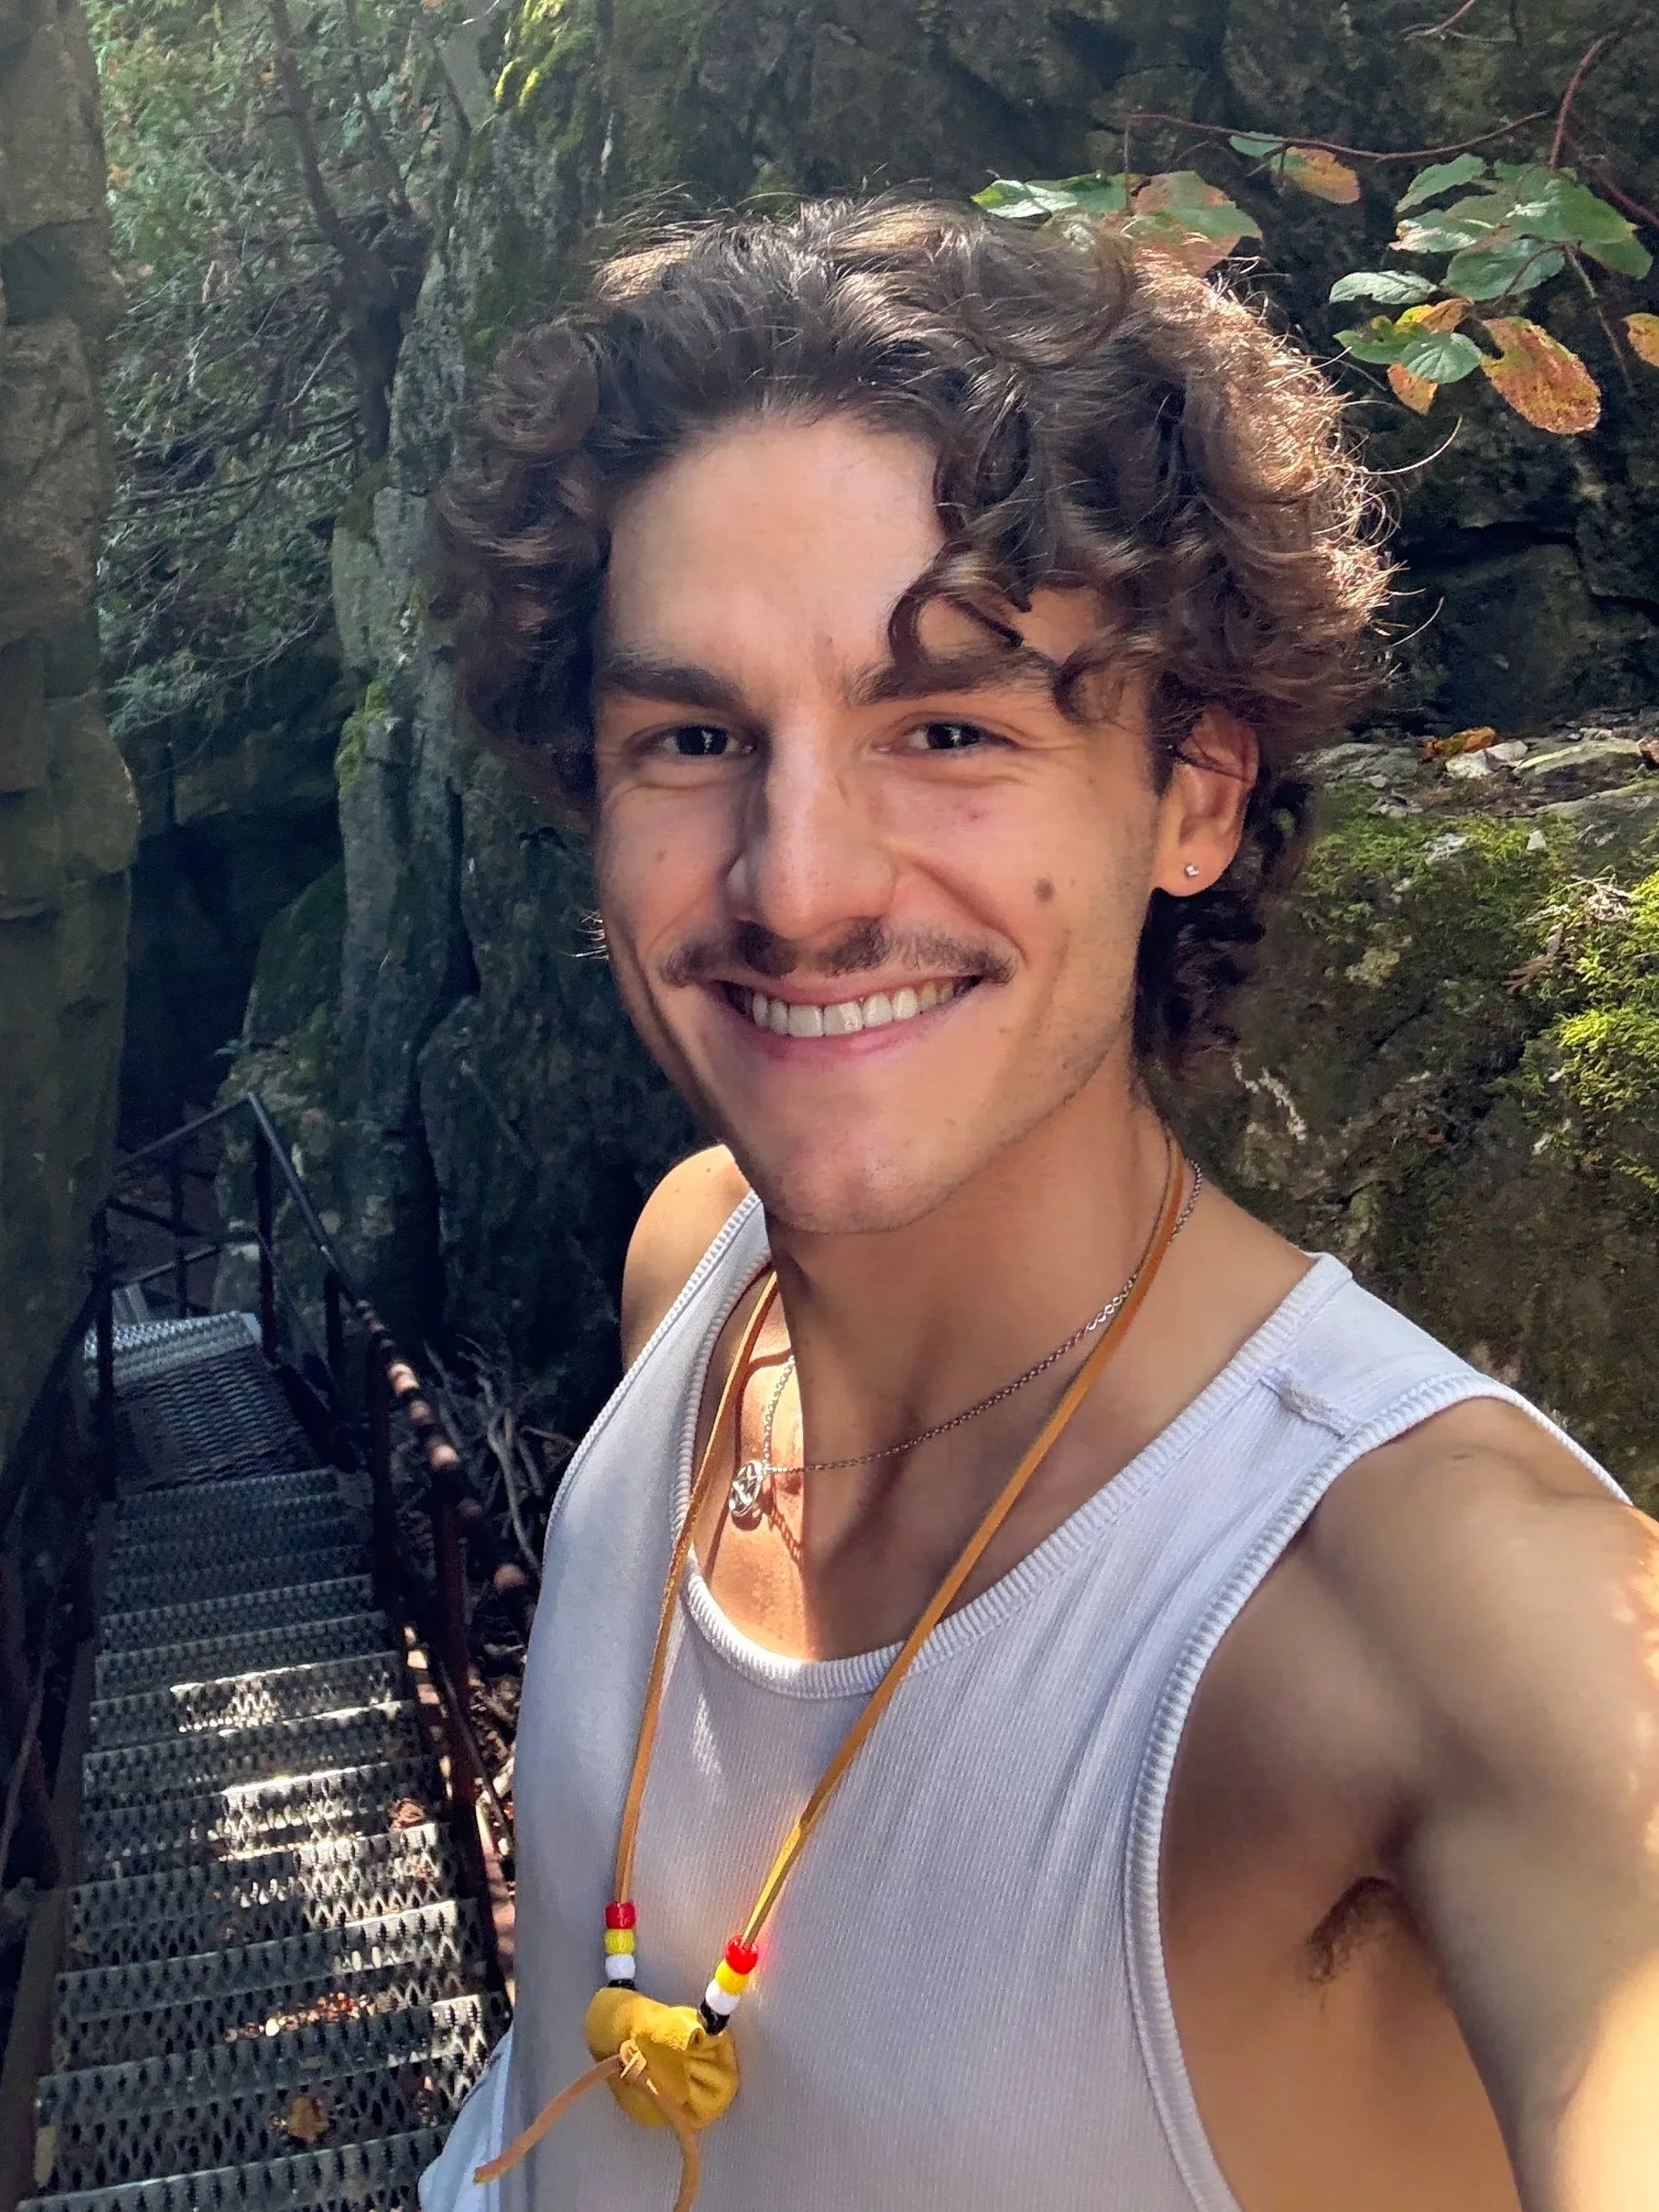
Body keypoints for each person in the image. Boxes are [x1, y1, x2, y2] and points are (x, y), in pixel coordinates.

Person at [420, 197, 1659, 2212]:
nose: (795, 877)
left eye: (949, 726)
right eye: (696, 736)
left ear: (1194, 793)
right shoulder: (693, 1272)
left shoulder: (1438, 1608)